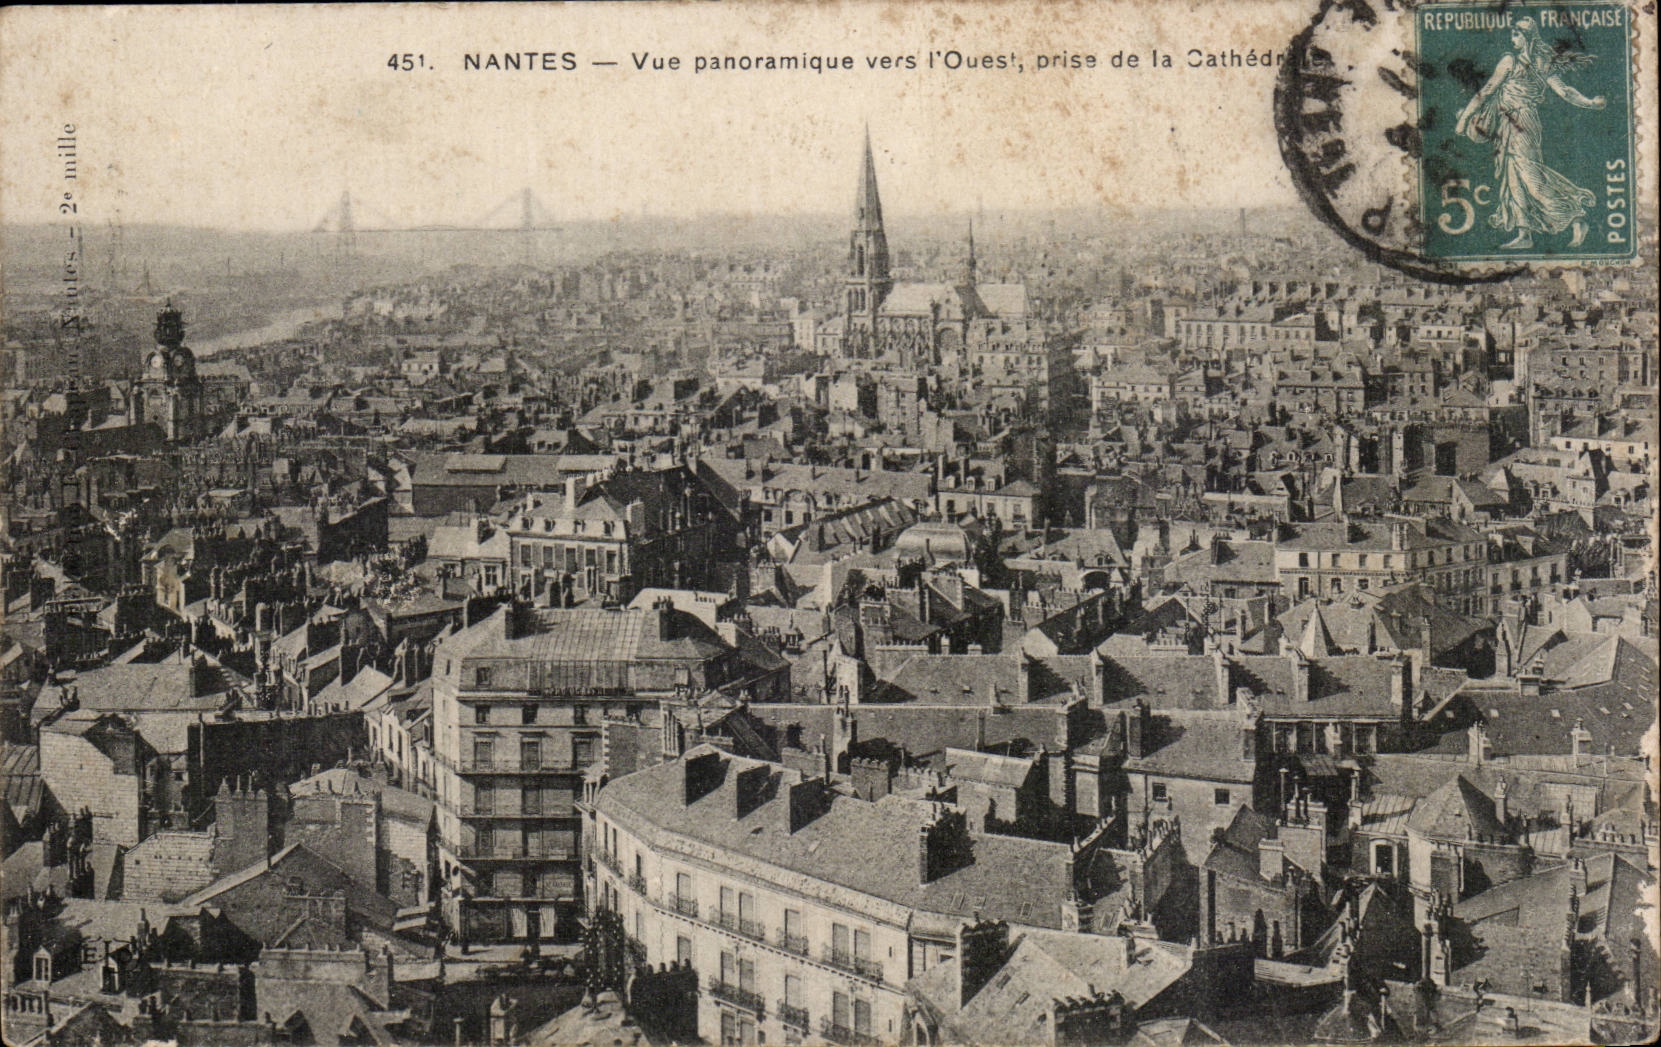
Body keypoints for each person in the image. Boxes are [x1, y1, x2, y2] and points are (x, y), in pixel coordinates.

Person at [1454, 17, 1607, 249]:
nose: (1512, 39)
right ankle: (1524, 234)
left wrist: (1590, 103)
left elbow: (1564, 91)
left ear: (1527, 37)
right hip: (1507, 123)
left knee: (1530, 177)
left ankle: (1576, 216)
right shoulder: (1514, 60)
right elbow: (1487, 91)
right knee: (1513, 178)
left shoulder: (1533, 63)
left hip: (1523, 123)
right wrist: (1465, 117)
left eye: (1516, 34)